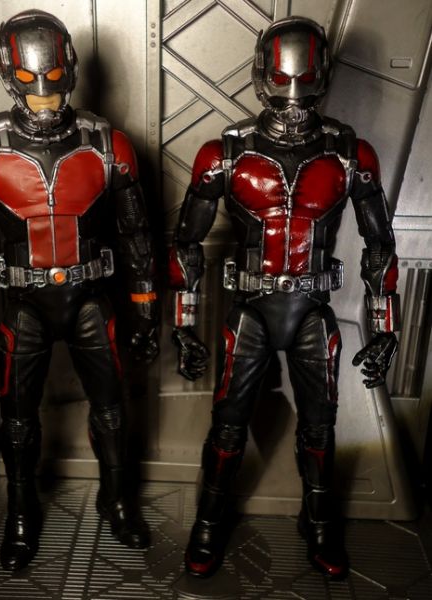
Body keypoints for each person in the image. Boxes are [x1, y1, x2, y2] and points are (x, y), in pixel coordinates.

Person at [169, 16, 399, 580]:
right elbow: (186, 242)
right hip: (250, 311)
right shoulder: (225, 153)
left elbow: (380, 244)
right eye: (283, 82)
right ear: (261, 77)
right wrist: (183, 322)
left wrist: (385, 325)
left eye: (304, 82)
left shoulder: (349, 155)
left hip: (311, 312)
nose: (293, 99)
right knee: (228, 425)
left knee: (320, 428)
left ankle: (318, 522)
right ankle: (209, 521)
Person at [0, 10, 159, 571]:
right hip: (24, 306)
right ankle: (20, 511)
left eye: (54, 85)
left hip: (90, 299)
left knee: (111, 409)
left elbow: (136, 234)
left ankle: (116, 499)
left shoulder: (109, 144)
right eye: (33, 86)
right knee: (17, 419)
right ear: (9, 76)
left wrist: (145, 307)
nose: (44, 98)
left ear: (71, 71)